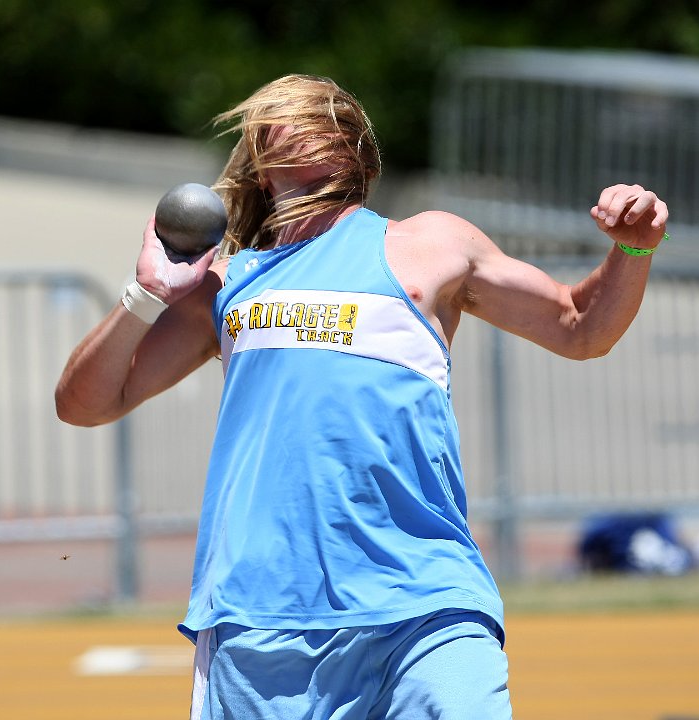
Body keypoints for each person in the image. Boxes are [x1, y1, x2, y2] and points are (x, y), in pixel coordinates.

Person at [55, 74, 669, 720]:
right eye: (288, 116)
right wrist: (147, 294)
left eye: (328, 116)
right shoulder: (227, 281)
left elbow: (581, 326)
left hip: (425, 605)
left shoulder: (428, 245)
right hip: (262, 621)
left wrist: (633, 247)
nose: (310, 122)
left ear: (355, 152)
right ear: (262, 164)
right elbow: (86, 402)